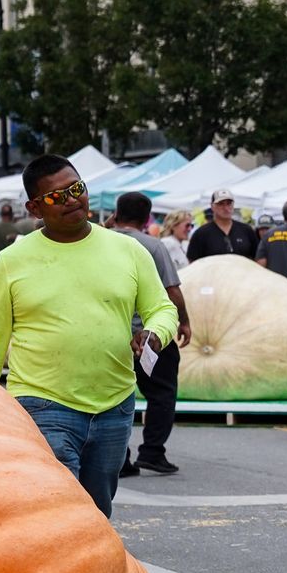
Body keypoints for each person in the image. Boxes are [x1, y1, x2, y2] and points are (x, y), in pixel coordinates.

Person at [0, 156, 178, 517]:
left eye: (76, 189)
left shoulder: (128, 251)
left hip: (114, 403)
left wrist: (155, 334)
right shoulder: (11, 262)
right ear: (34, 207)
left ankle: (87, 571)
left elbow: (163, 309)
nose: (71, 200)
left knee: (97, 510)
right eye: (55, 197)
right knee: (59, 509)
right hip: (42, 402)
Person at [111, 193, 192, 478]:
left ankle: (119, 457)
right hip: (150, 334)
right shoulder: (152, 246)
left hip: (110, 333)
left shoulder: (99, 242)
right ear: (148, 219)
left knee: (114, 396)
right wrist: (184, 322)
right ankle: (153, 451)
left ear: (115, 213)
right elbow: (171, 291)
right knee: (162, 393)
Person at [186, 188, 261, 262]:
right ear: (212, 206)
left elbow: (258, 257)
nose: (226, 208)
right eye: (221, 204)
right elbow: (193, 262)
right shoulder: (201, 234)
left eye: (229, 204)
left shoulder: (246, 230)